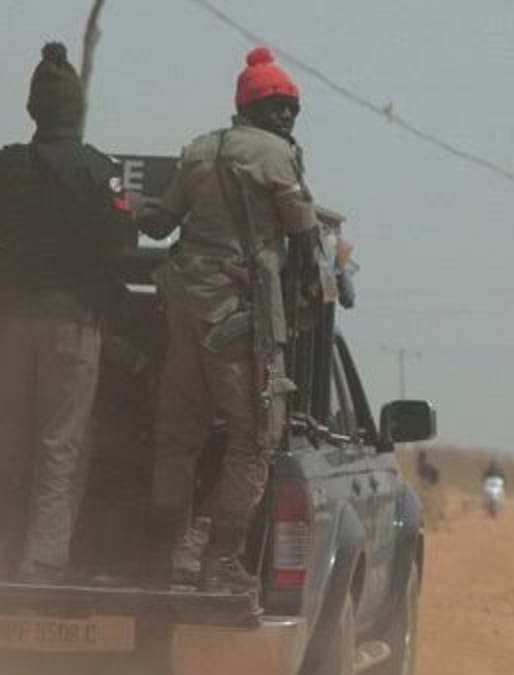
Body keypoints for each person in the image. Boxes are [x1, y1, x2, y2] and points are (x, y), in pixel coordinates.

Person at [137, 46, 320, 594]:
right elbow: (305, 238)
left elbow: (160, 222)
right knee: (254, 440)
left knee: (176, 435)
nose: (286, 117)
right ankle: (216, 557)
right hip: (243, 320)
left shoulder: (198, 150)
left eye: (290, 108)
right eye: (279, 106)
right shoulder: (277, 156)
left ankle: (166, 555)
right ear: (255, 108)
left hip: (186, 312)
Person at [0, 43, 136, 583]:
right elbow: (124, 242)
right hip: (71, 323)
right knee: (60, 441)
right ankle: (42, 558)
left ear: (33, 110)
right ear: (77, 112)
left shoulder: (7, 166)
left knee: (3, 436)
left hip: (10, 321)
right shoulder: (99, 172)